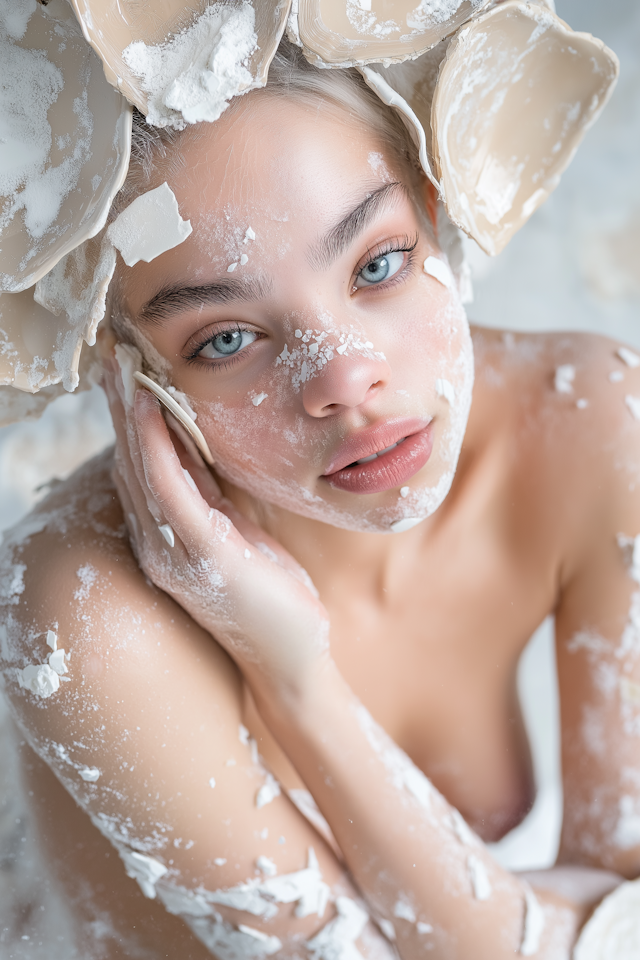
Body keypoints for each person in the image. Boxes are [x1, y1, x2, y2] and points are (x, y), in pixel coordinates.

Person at [1, 21, 638, 960]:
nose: (343, 375)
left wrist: (297, 688)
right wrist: (286, 664)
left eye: (376, 265)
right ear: (130, 372)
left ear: (433, 210)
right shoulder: (85, 615)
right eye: (224, 339)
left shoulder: (593, 423)